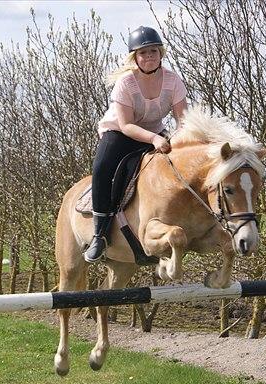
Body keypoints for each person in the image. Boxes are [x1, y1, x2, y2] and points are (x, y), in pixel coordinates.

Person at [84, 26, 189, 263]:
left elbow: (184, 120)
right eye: (143, 53)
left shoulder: (173, 81)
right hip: (120, 133)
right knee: (101, 169)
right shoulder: (126, 82)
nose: (149, 56)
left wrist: (179, 138)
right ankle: (99, 235)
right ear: (135, 58)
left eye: (153, 51)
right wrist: (154, 138)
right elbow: (127, 125)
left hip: (156, 134)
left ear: (160, 53)